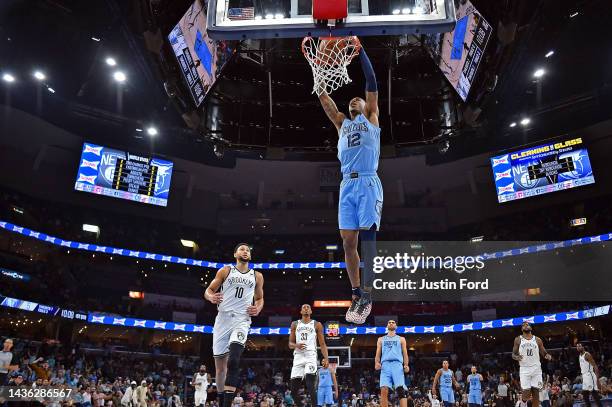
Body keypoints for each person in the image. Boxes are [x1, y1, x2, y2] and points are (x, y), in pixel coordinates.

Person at [316, 41, 382, 324]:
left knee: (368, 243)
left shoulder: (372, 118)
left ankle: (367, 294)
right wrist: (318, 67)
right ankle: (356, 292)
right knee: (347, 243)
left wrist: (360, 49)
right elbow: (323, 98)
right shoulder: (342, 123)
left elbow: (371, 80)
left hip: (368, 182)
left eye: (360, 99)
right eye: (352, 99)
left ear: (367, 106)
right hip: (347, 186)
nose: (355, 99)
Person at [205, 243, 265, 407]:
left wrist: (258, 308)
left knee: (233, 361)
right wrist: (211, 297)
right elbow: (208, 290)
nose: (245, 251)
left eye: (248, 250)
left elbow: (259, 298)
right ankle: (220, 398)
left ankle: (226, 404)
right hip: (223, 319)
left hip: (242, 320)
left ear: (250, 256)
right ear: (235, 254)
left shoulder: (257, 276)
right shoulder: (225, 271)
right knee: (220, 369)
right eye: (242, 249)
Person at [289, 304, 330, 406]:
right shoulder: (295, 324)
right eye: (304, 307)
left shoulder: (317, 324)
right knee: (293, 392)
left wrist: (326, 358)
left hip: (310, 356)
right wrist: (296, 345)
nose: (306, 308)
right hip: (298, 356)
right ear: (301, 312)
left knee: (310, 386)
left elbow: (322, 343)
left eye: (308, 307)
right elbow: (290, 344)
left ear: (311, 311)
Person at [511, 322, 552, 407]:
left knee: (536, 392)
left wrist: (547, 356)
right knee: (526, 391)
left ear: (531, 328)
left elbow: (544, 353)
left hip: (536, 368)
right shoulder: (518, 339)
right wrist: (517, 357)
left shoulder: (537, 339)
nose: (526, 325)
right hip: (524, 368)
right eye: (524, 325)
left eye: (528, 324)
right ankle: (523, 403)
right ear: (522, 329)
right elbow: (513, 354)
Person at [375, 320, 409, 407]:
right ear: (387, 326)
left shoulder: (401, 339)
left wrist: (406, 365)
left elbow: (405, 353)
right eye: (389, 322)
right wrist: (376, 363)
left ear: (396, 326)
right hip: (385, 365)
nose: (391, 323)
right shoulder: (381, 339)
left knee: (401, 390)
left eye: (393, 322)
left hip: (397, 365)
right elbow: (378, 353)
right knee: (383, 390)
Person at [577, 342, 603, 407]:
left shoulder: (587, 355)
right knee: (585, 395)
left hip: (589, 376)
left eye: (579, 346)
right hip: (585, 376)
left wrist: (597, 380)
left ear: (583, 347)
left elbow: (595, 366)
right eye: (577, 346)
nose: (578, 347)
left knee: (594, 395)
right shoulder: (580, 356)